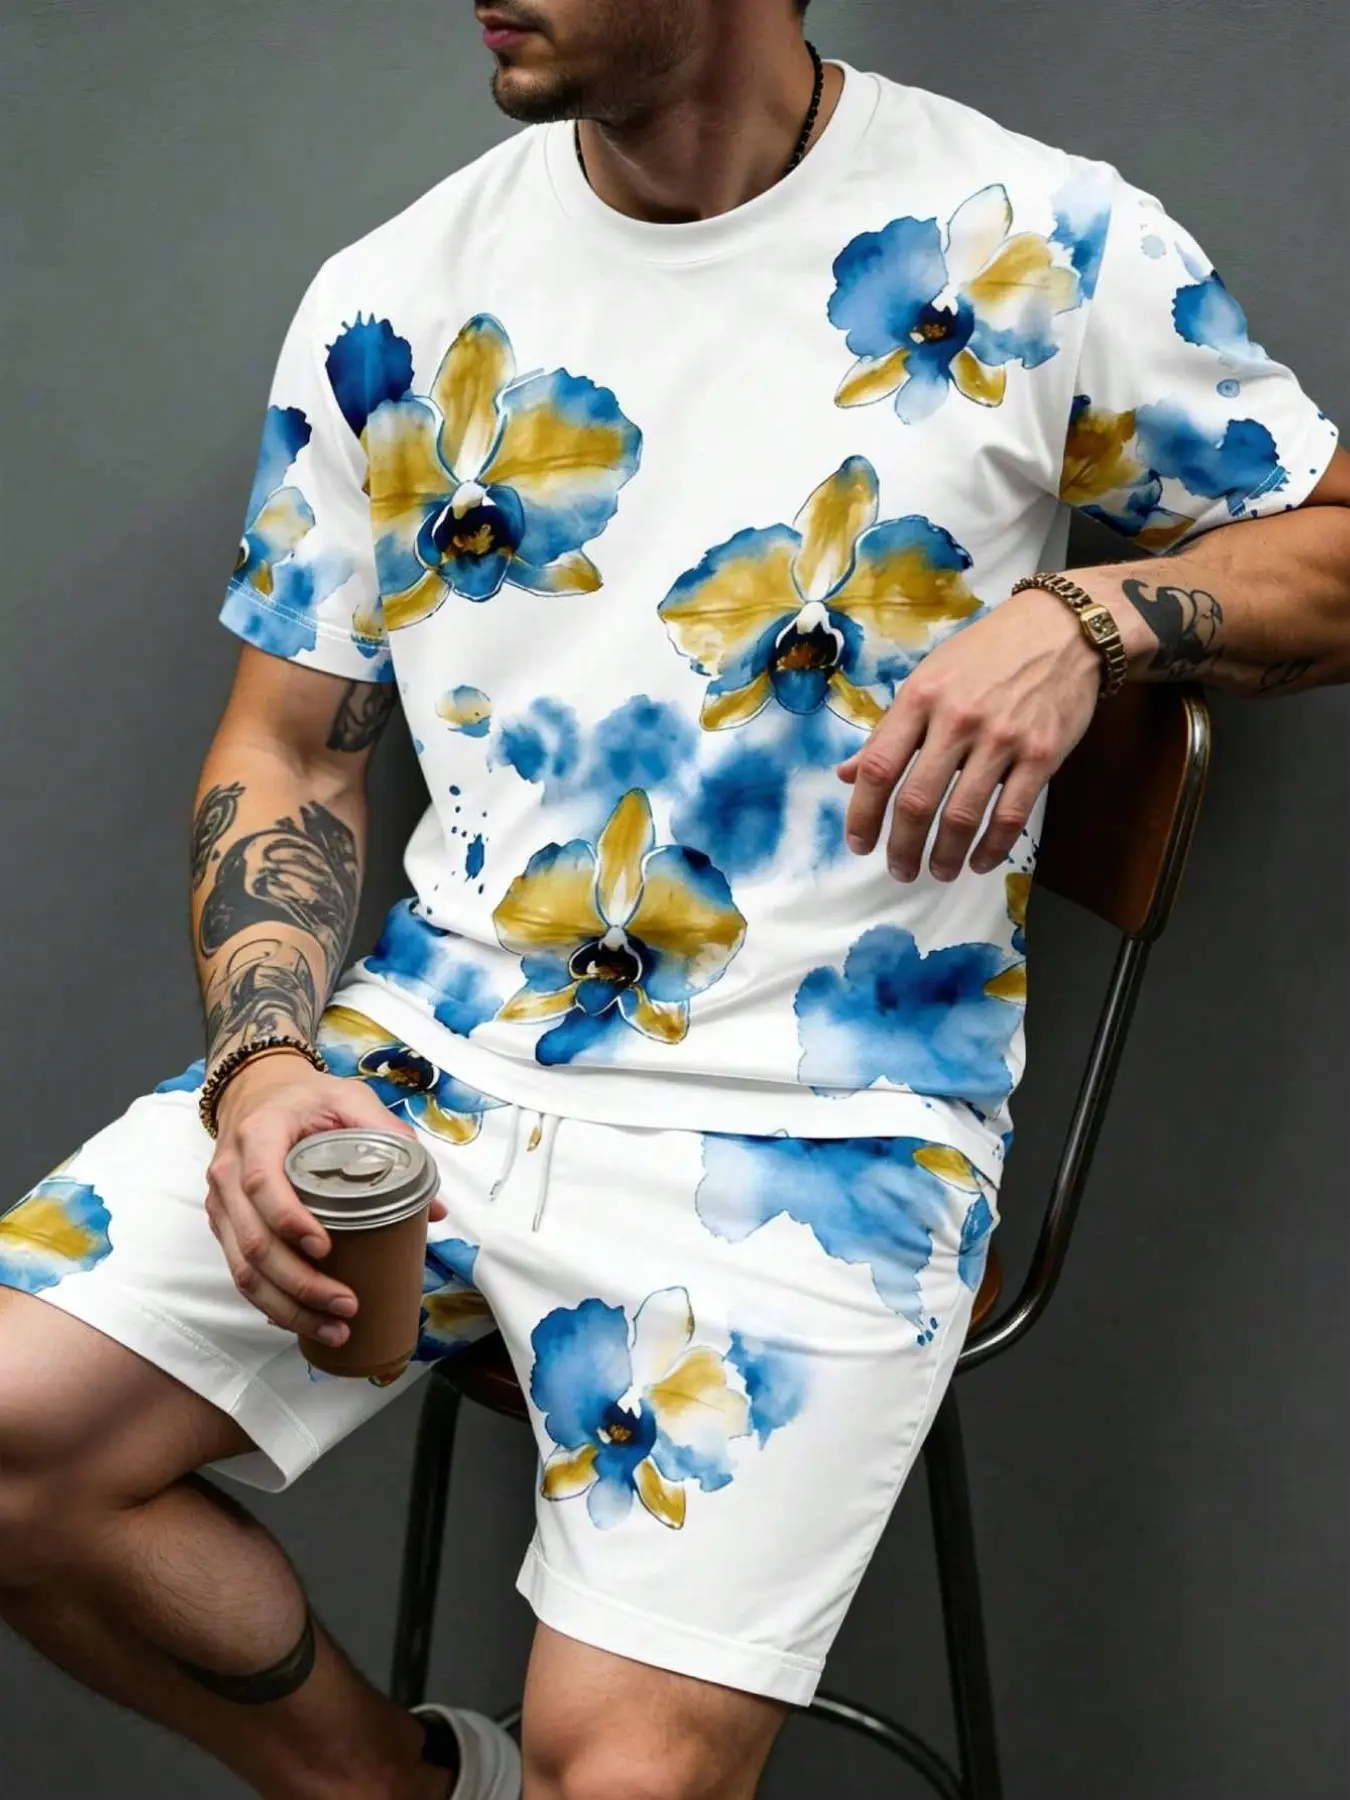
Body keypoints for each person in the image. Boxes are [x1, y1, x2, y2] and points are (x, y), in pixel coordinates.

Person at [1, 2, 1346, 1796]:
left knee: (624, 1776)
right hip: (425, 1074)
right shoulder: (393, 300)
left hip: (823, 1131)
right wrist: (261, 1064)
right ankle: (394, 1786)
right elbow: (290, 744)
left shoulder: (1038, 240)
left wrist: (1088, 618)